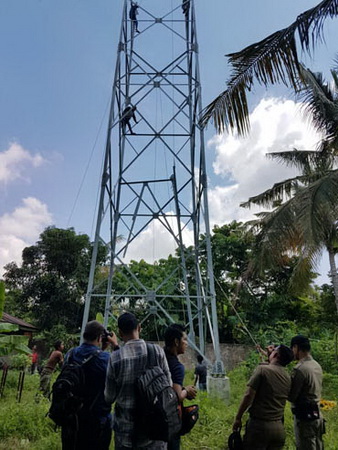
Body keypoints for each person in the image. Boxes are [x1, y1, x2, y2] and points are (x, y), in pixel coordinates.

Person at [105, 312, 171, 450]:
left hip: (126, 435)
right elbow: (168, 387)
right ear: (139, 327)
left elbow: (109, 397)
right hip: (154, 433)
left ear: (120, 332)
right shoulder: (157, 351)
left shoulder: (115, 358)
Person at [61, 321, 118, 450]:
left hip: (72, 420)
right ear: (100, 338)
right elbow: (118, 372)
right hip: (96, 421)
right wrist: (115, 346)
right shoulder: (106, 358)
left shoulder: (70, 354)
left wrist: (100, 350)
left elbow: (85, 364)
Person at [233, 344, 294, 449]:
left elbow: (248, 395)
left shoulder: (262, 370)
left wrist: (238, 418)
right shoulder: (288, 377)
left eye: (274, 350)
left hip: (259, 427)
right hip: (279, 428)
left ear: (275, 355)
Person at [164, 324, 197, 450]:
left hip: (153, 417)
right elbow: (177, 396)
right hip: (171, 420)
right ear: (176, 342)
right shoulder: (177, 367)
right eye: (185, 339)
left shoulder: (159, 356)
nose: (187, 343)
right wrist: (186, 391)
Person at [289, 335, 324, 450]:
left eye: (292, 349)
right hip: (317, 414)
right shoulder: (316, 365)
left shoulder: (300, 369)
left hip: (305, 418)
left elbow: (292, 396)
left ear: (296, 347)